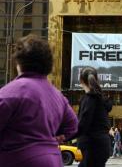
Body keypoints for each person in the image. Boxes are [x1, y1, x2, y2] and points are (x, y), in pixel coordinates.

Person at [0, 34, 78, 167]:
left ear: (19, 63)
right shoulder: (57, 95)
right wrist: (55, 138)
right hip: (53, 159)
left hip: (18, 159)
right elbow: (73, 126)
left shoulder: (10, 93)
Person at [77, 66, 112, 167]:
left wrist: (65, 136)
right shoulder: (101, 99)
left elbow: (83, 125)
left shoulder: (88, 99)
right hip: (102, 145)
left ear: (81, 81)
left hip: (91, 146)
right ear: (97, 79)